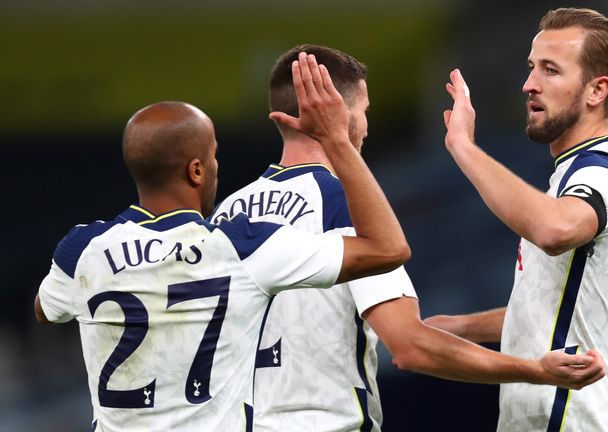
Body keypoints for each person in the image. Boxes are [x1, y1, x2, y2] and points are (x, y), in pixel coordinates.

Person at [213, 45, 606, 432]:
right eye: (364, 111)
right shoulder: (348, 205)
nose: (365, 126)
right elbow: (409, 346)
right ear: (340, 113)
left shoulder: (226, 214)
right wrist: (535, 370)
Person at [33, 62, 413, 432]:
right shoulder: (242, 245)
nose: (217, 165)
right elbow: (388, 248)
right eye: (214, 155)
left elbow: (46, 310)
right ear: (196, 170)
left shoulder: (81, 249)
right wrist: (336, 140)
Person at [425, 8, 608, 431]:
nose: (529, 84)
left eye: (550, 70)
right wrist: (459, 326)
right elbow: (561, 310)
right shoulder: (574, 174)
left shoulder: (607, 169)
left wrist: (462, 145)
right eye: (532, 67)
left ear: (596, 90)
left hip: (577, 420)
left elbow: (553, 230)